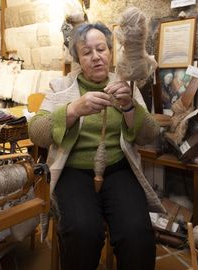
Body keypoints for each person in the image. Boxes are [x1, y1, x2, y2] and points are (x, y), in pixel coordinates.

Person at [29, 22, 165, 270]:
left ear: (110, 52)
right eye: (87, 52)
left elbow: (150, 134)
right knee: (82, 230)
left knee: (137, 232)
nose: (96, 57)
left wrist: (129, 107)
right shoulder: (61, 87)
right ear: (78, 58)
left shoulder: (125, 85)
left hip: (118, 169)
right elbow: (37, 132)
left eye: (101, 49)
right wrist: (73, 110)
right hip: (73, 171)